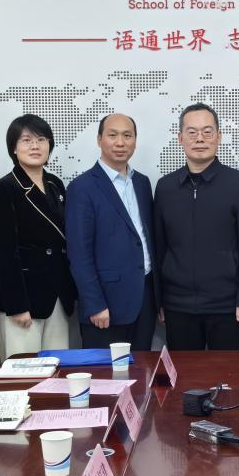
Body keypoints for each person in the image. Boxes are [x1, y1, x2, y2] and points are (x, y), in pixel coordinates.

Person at [153, 103, 239, 350]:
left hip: (227, 306)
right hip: (177, 306)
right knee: (183, 374)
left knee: (228, 372)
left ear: (218, 137)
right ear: (180, 138)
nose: (200, 139)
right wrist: (159, 300)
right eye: (192, 132)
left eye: (207, 132)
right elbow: (159, 248)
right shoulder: (165, 187)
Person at [65, 113, 157, 350]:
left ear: (135, 141)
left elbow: (146, 239)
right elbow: (79, 254)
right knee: (106, 372)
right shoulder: (82, 188)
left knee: (142, 367)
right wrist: (94, 304)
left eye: (127, 135)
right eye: (112, 135)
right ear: (99, 140)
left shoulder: (142, 183)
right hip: (105, 304)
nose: (120, 142)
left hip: (144, 298)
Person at [0, 114, 76, 357]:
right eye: (26, 140)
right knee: (24, 368)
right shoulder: (4, 188)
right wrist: (17, 305)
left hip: (58, 294)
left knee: (58, 366)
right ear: (14, 148)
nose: (35, 146)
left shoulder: (55, 184)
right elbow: (4, 252)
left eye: (41, 139)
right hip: (25, 298)